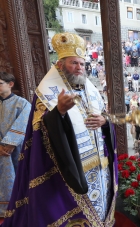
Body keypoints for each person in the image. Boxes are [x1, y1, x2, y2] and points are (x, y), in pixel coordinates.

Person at [2, 33, 117, 226]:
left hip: (99, 167)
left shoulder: (91, 90)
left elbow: (104, 117)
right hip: (67, 170)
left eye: (82, 64)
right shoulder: (47, 92)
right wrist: (60, 111)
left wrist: (104, 121)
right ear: (60, 65)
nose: (79, 68)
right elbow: (38, 131)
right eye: (74, 63)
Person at [0, 72, 31, 218]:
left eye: (0, 83)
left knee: (17, 176)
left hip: (16, 149)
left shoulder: (22, 103)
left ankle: (17, 209)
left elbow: (24, 123)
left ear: (10, 84)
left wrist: (10, 143)